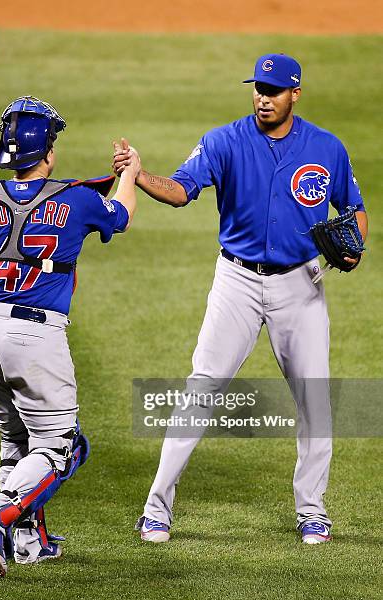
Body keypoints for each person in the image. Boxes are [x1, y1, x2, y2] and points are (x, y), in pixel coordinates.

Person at [113, 54, 368, 545]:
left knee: (314, 400)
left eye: (273, 90)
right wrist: (141, 176)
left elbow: (354, 210)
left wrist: (356, 247)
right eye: (258, 88)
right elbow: (181, 189)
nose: (263, 97)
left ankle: (312, 511)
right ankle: (155, 508)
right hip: (237, 283)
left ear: (295, 93)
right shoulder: (223, 141)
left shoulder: (326, 148)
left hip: (301, 285)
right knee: (201, 387)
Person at [0, 96, 139, 577]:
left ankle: (28, 543)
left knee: (15, 440)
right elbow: (120, 215)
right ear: (49, 153)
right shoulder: (76, 199)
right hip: (34, 336)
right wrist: (130, 171)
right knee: (63, 447)